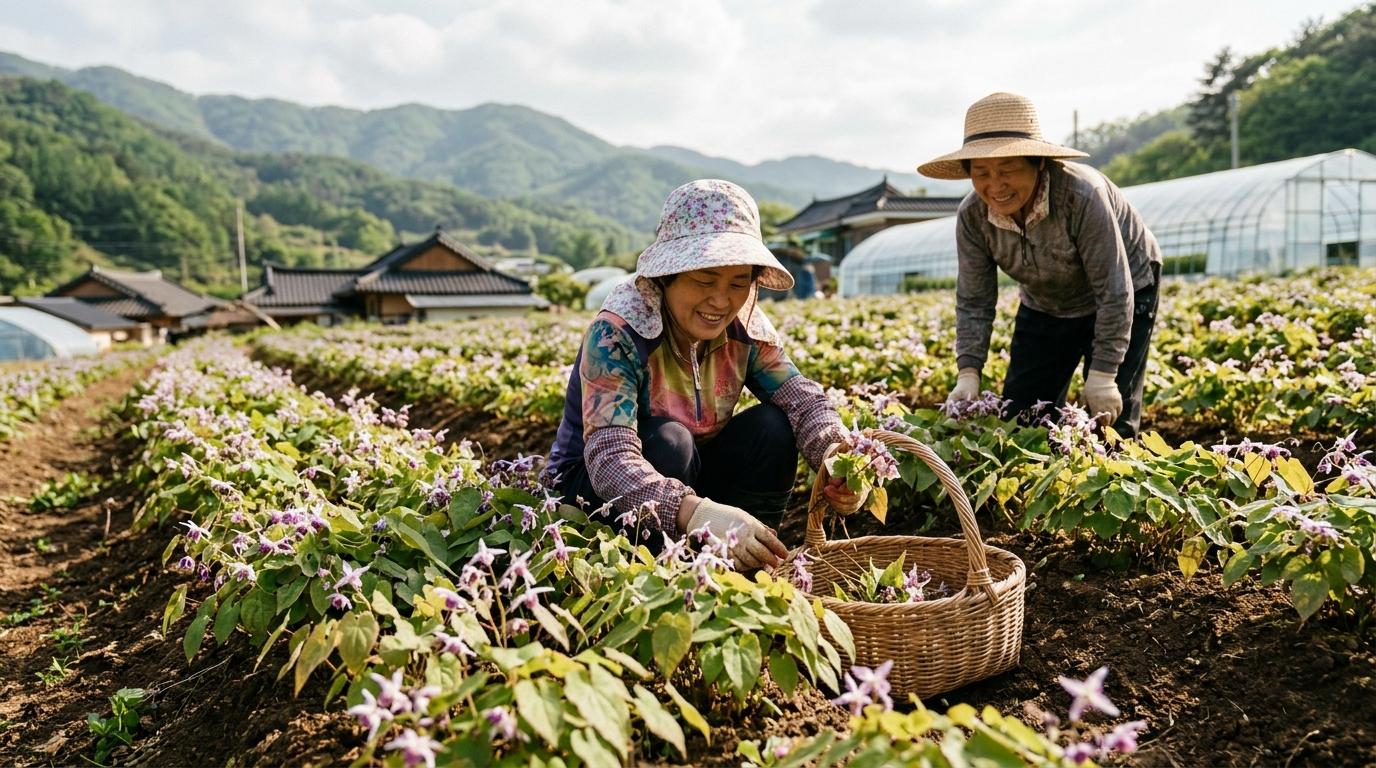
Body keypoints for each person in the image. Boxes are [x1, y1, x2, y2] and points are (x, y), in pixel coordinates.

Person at [543, 179, 863, 570]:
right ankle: (658, 573)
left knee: (772, 426)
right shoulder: (619, 333)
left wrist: (838, 459)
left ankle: (750, 558)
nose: (721, 300)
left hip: (691, 480)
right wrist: (695, 513)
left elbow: (801, 400)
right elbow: (610, 460)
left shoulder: (744, 328)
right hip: (594, 488)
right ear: (667, 275)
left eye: (738, 282)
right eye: (705, 279)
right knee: (669, 441)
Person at [917, 92, 1163, 437]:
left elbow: (1113, 289)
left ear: (1038, 163)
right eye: (982, 172)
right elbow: (975, 300)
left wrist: (1105, 374)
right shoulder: (973, 216)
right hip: (1046, 302)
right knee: (1023, 421)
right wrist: (968, 372)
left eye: (1007, 170)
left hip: (1128, 287)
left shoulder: (1080, 196)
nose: (995, 185)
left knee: (1109, 423)